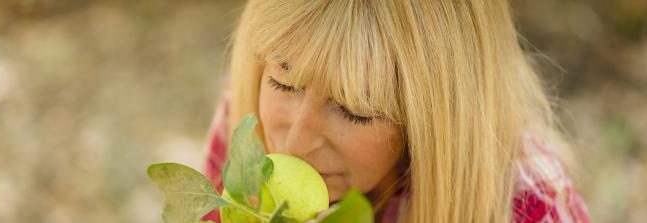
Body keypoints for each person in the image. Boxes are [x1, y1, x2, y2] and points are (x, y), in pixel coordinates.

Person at [201, 0, 590, 222]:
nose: (297, 142)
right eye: (284, 84)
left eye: (355, 111)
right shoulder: (247, 116)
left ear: (438, 115)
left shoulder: (526, 206)